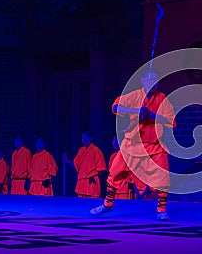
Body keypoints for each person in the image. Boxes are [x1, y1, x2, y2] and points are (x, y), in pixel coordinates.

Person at [90, 69, 176, 220]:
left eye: (156, 80)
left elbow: (172, 121)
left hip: (154, 145)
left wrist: (152, 115)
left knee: (163, 178)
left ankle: (161, 210)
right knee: (115, 173)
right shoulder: (135, 96)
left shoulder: (162, 98)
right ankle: (108, 204)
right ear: (143, 81)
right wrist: (137, 111)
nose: (153, 83)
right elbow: (115, 107)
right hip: (132, 144)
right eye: (149, 79)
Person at [63, 131, 107, 198]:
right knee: (81, 204)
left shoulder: (96, 150)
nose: (84, 139)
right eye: (82, 137)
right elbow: (76, 165)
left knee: (92, 203)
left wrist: (93, 176)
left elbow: (102, 169)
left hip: (91, 181)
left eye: (86, 137)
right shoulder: (81, 150)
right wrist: (67, 160)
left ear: (91, 138)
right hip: (82, 182)